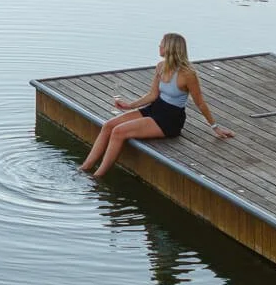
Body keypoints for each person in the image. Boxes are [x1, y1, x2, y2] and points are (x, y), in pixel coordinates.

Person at [80, 33, 234, 180]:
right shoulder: (161, 66)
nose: (159, 46)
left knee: (118, 132)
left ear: (170, 48)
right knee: (108, 125)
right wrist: (129, 106)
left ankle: (97, 177)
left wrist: (215, 127)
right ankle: (84, 168)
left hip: (170, 119)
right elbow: (152, 95)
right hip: (155, 108)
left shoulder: (188, 74)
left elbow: (200, 102)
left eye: (162, 43)